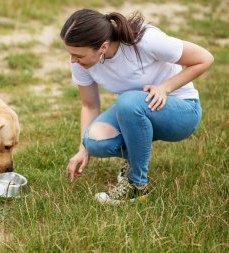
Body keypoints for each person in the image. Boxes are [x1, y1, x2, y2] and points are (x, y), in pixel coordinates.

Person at [61, 8, 214, 204]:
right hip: (135, 109)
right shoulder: (81, 63)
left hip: (183, 111)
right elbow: (89, 105)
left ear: (103, 47)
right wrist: (82, 149)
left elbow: (204, 58)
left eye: (78, 55)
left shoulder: (145, 40)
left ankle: (136, 186)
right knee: (93, 141)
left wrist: (165, 88)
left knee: (127, 102)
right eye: (71, 54)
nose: (73, 60)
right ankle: (135, 156)